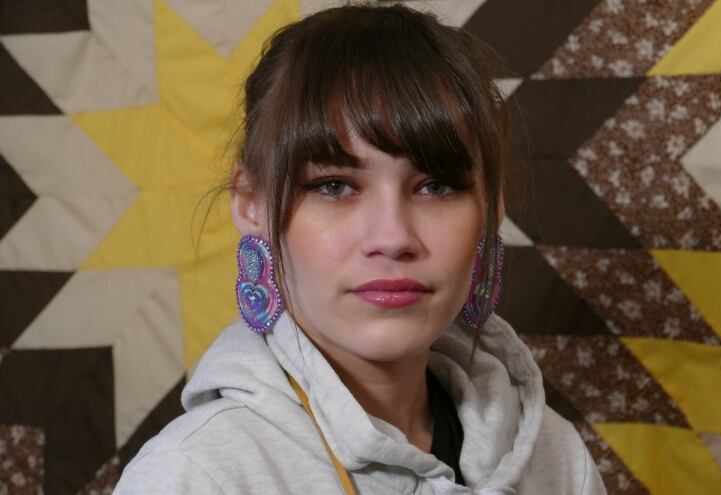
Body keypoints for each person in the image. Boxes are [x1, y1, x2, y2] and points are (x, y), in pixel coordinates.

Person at [114, 4, 606, 494]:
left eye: (436, 186)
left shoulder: (558, 461)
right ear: (249, 203)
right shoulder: (192, 477)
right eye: (333, 186)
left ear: (492, 208)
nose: (392, 238)